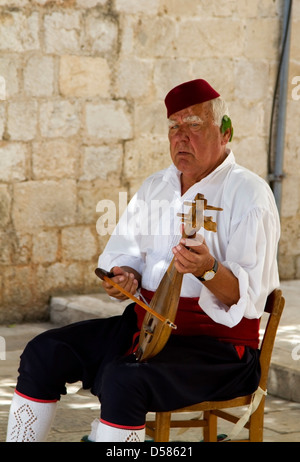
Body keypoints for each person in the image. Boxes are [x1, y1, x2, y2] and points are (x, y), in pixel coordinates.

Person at [6, 79, 280, 442]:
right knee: (45, 351)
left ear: (225, 131)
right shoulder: (156, 187)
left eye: (194, 125)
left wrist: (208, 269)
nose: (181, 137)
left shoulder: (250, 195)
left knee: (126, 380)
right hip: (146, 331)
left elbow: (245, 300)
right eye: (174, 127)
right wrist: (124, 276)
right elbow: (125, 253)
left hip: (217, 348)